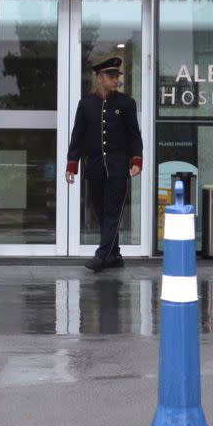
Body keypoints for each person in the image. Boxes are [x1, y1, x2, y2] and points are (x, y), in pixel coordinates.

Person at [65, 57, 143, 272]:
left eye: (117, 76)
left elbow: (134, 135)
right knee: (100, 211)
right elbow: (77, 136)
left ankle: (101, 256)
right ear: (99, 78)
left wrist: (136, 159)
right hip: (95, 166)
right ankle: (114, 255)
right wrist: (72, 164)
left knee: (113, 212)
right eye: (110, 76)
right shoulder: (86, 104)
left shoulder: (127, 103)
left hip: (118, 166)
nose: (115, 80)